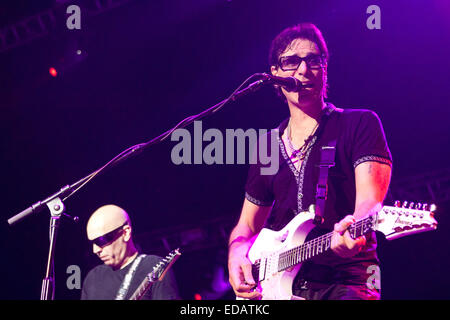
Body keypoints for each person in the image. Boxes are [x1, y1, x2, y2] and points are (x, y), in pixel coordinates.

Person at [227, 22, 392, 300]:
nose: (303, 70)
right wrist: (236, 254)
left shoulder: (359, 124)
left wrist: (354, 225)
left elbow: (370, 202)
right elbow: (247, 226)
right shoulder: (267, 146)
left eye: (313, 60)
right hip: (281, 288)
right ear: (275, 75)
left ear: (324, 69)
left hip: (347, 280)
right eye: (291, 62)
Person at [81, 204, 180, 300]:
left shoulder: (154, 267)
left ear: (125, 233)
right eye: (92, 243)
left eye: (101, 240)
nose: (96, 250)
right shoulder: (92, 278)